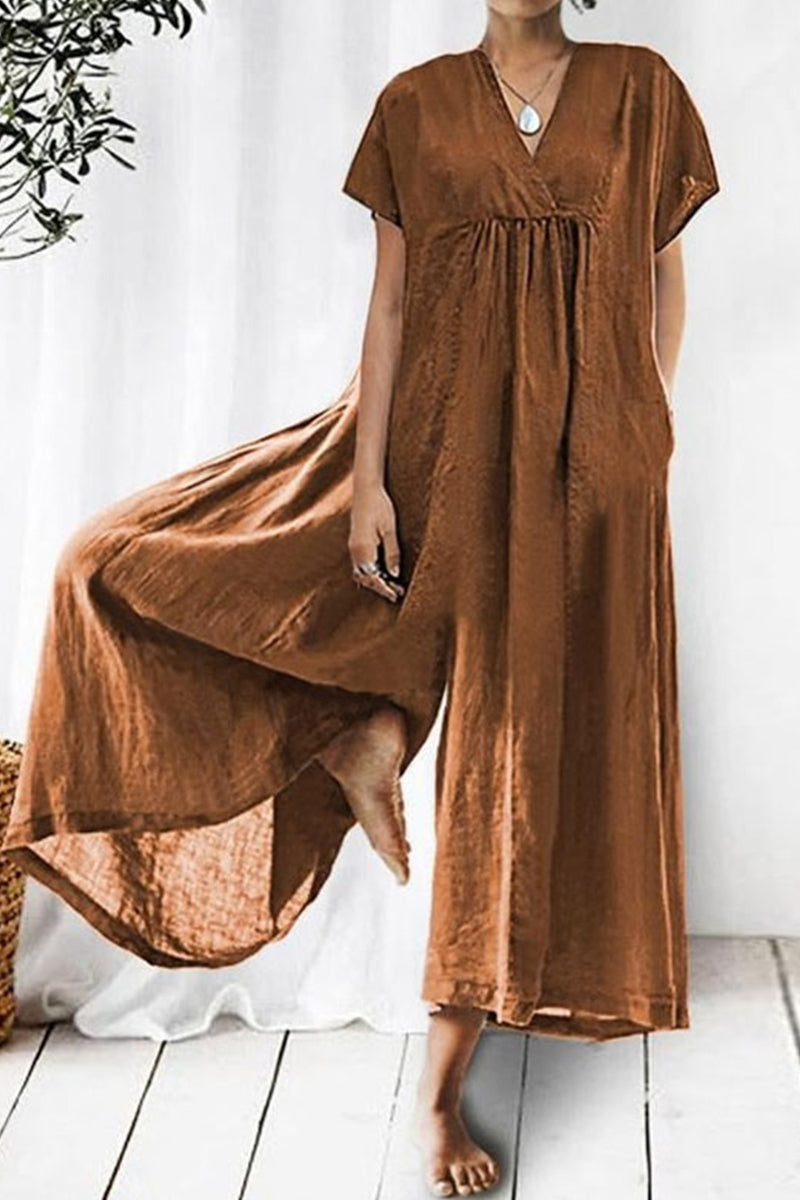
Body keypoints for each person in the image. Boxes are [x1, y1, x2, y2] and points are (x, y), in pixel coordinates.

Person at [1, 0, 720, 1195]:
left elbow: (659, 274)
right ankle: (356, 728)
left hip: (585, 464)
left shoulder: (642, 89)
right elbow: (388, 304)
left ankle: (436, 1089)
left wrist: (644, 438)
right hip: (430, 439)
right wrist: (370, 481)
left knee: (515, 765)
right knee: (107, 561)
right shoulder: (414, 104)